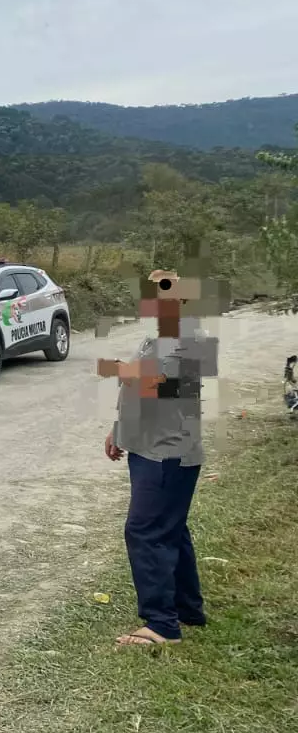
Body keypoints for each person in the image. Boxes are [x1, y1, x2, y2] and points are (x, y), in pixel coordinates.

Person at [97, 269, 218, 646]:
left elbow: (178, 390)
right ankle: (186, 609)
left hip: (167, 452)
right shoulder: (162, 335)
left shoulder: (187, 337)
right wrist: (120, 431)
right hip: (150, 446)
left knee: (146, 531)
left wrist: (125, 372)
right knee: (170, 528)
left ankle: (162, 625)